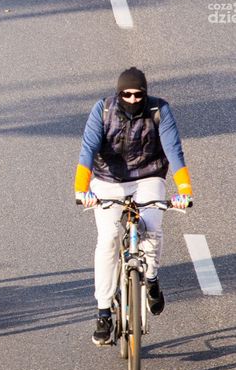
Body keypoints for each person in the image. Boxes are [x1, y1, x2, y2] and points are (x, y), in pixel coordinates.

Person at [74, 67, 193, 345]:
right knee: (108, 239)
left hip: (148, 176)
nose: (132, 99)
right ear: (118, 94)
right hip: (108, 180)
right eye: (126, 94)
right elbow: (88, 149)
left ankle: (151, 278)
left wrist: (184, 190)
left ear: (145, 93)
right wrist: (82, 190)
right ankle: (104, 313)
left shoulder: (159, 110)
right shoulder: (103, 110)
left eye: (138, 94)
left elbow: (173, 150)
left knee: (151, 228)